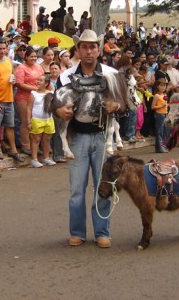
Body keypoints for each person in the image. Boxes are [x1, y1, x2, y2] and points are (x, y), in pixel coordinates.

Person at [55, 29, 122, 248]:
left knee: (104, 186)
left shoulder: (111, 74)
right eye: (84, 46)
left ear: (99, 49)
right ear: (78, 49)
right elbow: (56, 103)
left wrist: (116, 106)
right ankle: (77, 232)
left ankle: (102, 232)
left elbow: (123, 104)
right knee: (77, 189)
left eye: (93, 46)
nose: (89, 51)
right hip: (77, 138)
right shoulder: (65, 76)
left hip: (103, 136)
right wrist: (59, 111)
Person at [0, 38, 24, 162]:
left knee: (10, 125)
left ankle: (13, 149)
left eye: (4, 48)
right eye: (0, 48)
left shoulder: (9, 61)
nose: (2, 51)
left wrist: (13, 81)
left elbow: (12, 75)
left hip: (9, 98)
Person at [14, 46, 44, 155]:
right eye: (31, 56)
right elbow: (19, 84)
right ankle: (25, 145)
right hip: (23, 98)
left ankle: (35, 145)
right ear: (26, 57)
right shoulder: (21, 68)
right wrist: (35, 88)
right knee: (26, 122)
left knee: (36, 122)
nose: (34, 58)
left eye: (35, 56)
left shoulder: (39, 67)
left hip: (37, 98)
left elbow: (43, 79)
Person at [27, 74, 56, 168]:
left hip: (48, 119)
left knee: (47, 139)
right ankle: (34, 159)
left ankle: (46, 157)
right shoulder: (33, 94)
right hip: (37, 120)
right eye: (38, 80)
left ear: (46, 83)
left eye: (41, 80)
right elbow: (29, 108)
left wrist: (48, 80)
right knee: (36, 139)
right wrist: (28, 121)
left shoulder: (50, 93)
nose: (38, 82)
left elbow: (52, 87)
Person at [152, 79, 169, 153]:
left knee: (165, 131)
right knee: (159, 131)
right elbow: (152, 107)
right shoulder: (157, 96)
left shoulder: (165, 95)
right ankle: (160, 147)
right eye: (161, 85)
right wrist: (161, 106)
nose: (163, 87)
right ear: (157, 86)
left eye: (164, 85)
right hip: (159, 114)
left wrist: (167, 105)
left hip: (165, 113)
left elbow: (166, 105)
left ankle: (162, 146)